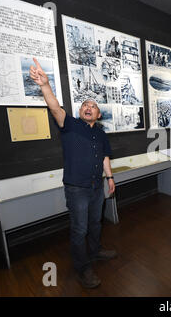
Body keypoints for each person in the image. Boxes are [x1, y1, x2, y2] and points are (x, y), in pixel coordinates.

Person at [29, 58, 117, 289]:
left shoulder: (102, 134)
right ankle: (83, 268)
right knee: (80, 229)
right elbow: (54, 107)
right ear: (80, 111)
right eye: (85, 105)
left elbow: (105, 158)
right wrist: (45, 86)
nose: (89, 107)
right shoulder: (69, 125)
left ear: (98, 114)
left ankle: (96, 251)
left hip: (97, 187)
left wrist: (110, 178)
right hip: (77, 188)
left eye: (93, 106)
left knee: (96, 223)